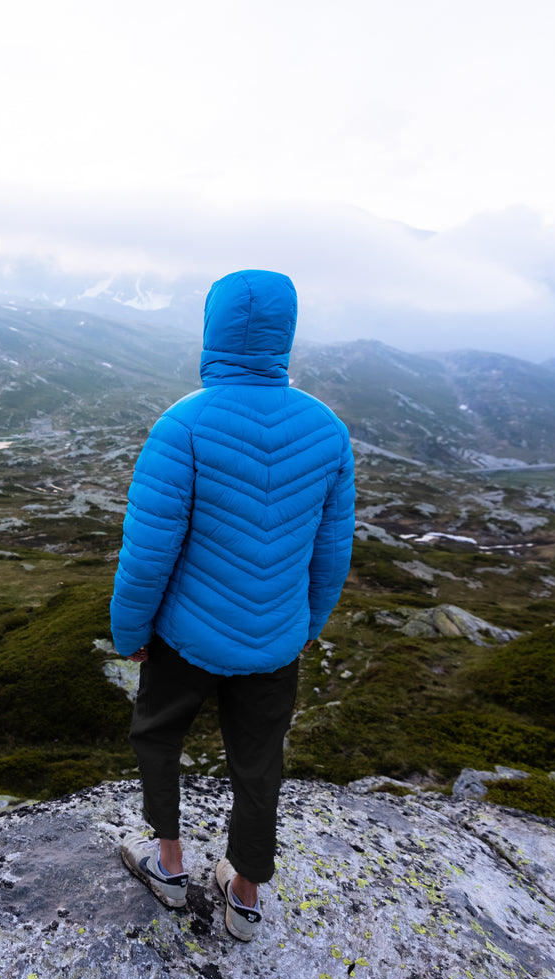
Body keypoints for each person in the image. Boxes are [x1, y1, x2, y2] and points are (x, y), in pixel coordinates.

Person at [109, 268, 355, 942]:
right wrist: (309, 625)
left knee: (157, 734)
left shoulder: (182, 425)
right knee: (258, 762)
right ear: (285, 333)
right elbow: (332, 552)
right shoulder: (328, 431)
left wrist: (130, 629)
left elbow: (148, 551)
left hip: (186, 636)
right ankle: (244, 897)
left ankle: (167, 864)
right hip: (276, 639)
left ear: (214, 328)